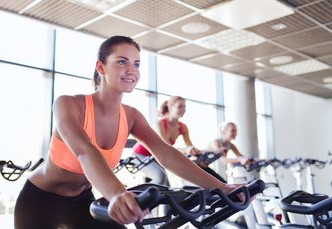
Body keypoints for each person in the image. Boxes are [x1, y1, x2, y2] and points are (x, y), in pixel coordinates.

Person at [14, 36, 242, 229]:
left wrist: (221, 187)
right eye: (122, 62)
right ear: (101, 67)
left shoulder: (131, 116)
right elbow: (84, 151)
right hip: (40, 200)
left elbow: (165, 153)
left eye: (136, 64)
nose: (131, 70)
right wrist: (116, 194)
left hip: (82, 201)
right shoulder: (69, 105)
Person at [131, 96, 200, 186]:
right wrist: (186, 150)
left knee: (166, 187)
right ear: (171, 107)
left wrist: (202, 151)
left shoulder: (183, 127)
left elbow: (190, 146)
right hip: (140, 155)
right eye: (180, 106)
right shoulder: (160, 124)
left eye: (184, 107)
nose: (183, 109)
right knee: (160, 177)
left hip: (156, 157)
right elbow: (167, 148)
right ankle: (136, 196)